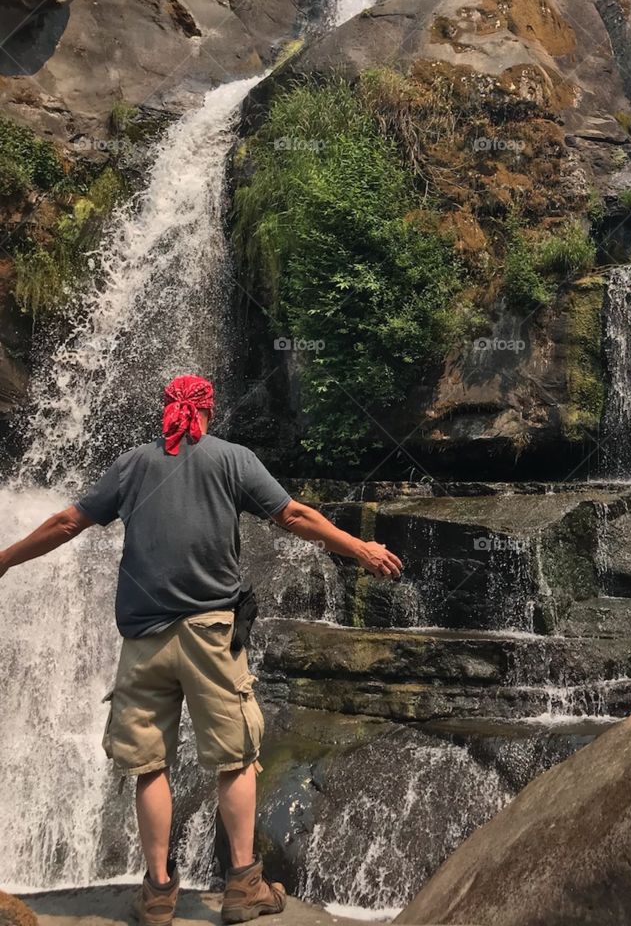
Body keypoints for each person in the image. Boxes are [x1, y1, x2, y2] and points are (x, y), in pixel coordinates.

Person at [0, 374, 403, 926]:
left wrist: (3, 559)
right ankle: (244, 888)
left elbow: (69, 521)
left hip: (144, 640)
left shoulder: (132, 465)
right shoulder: (233, 460)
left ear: (165, 410)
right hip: (212, 636)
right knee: (236, 759)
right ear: (209, 411)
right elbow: (295, 516)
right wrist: (359, 547)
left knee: (149, 765)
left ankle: (159, 893)